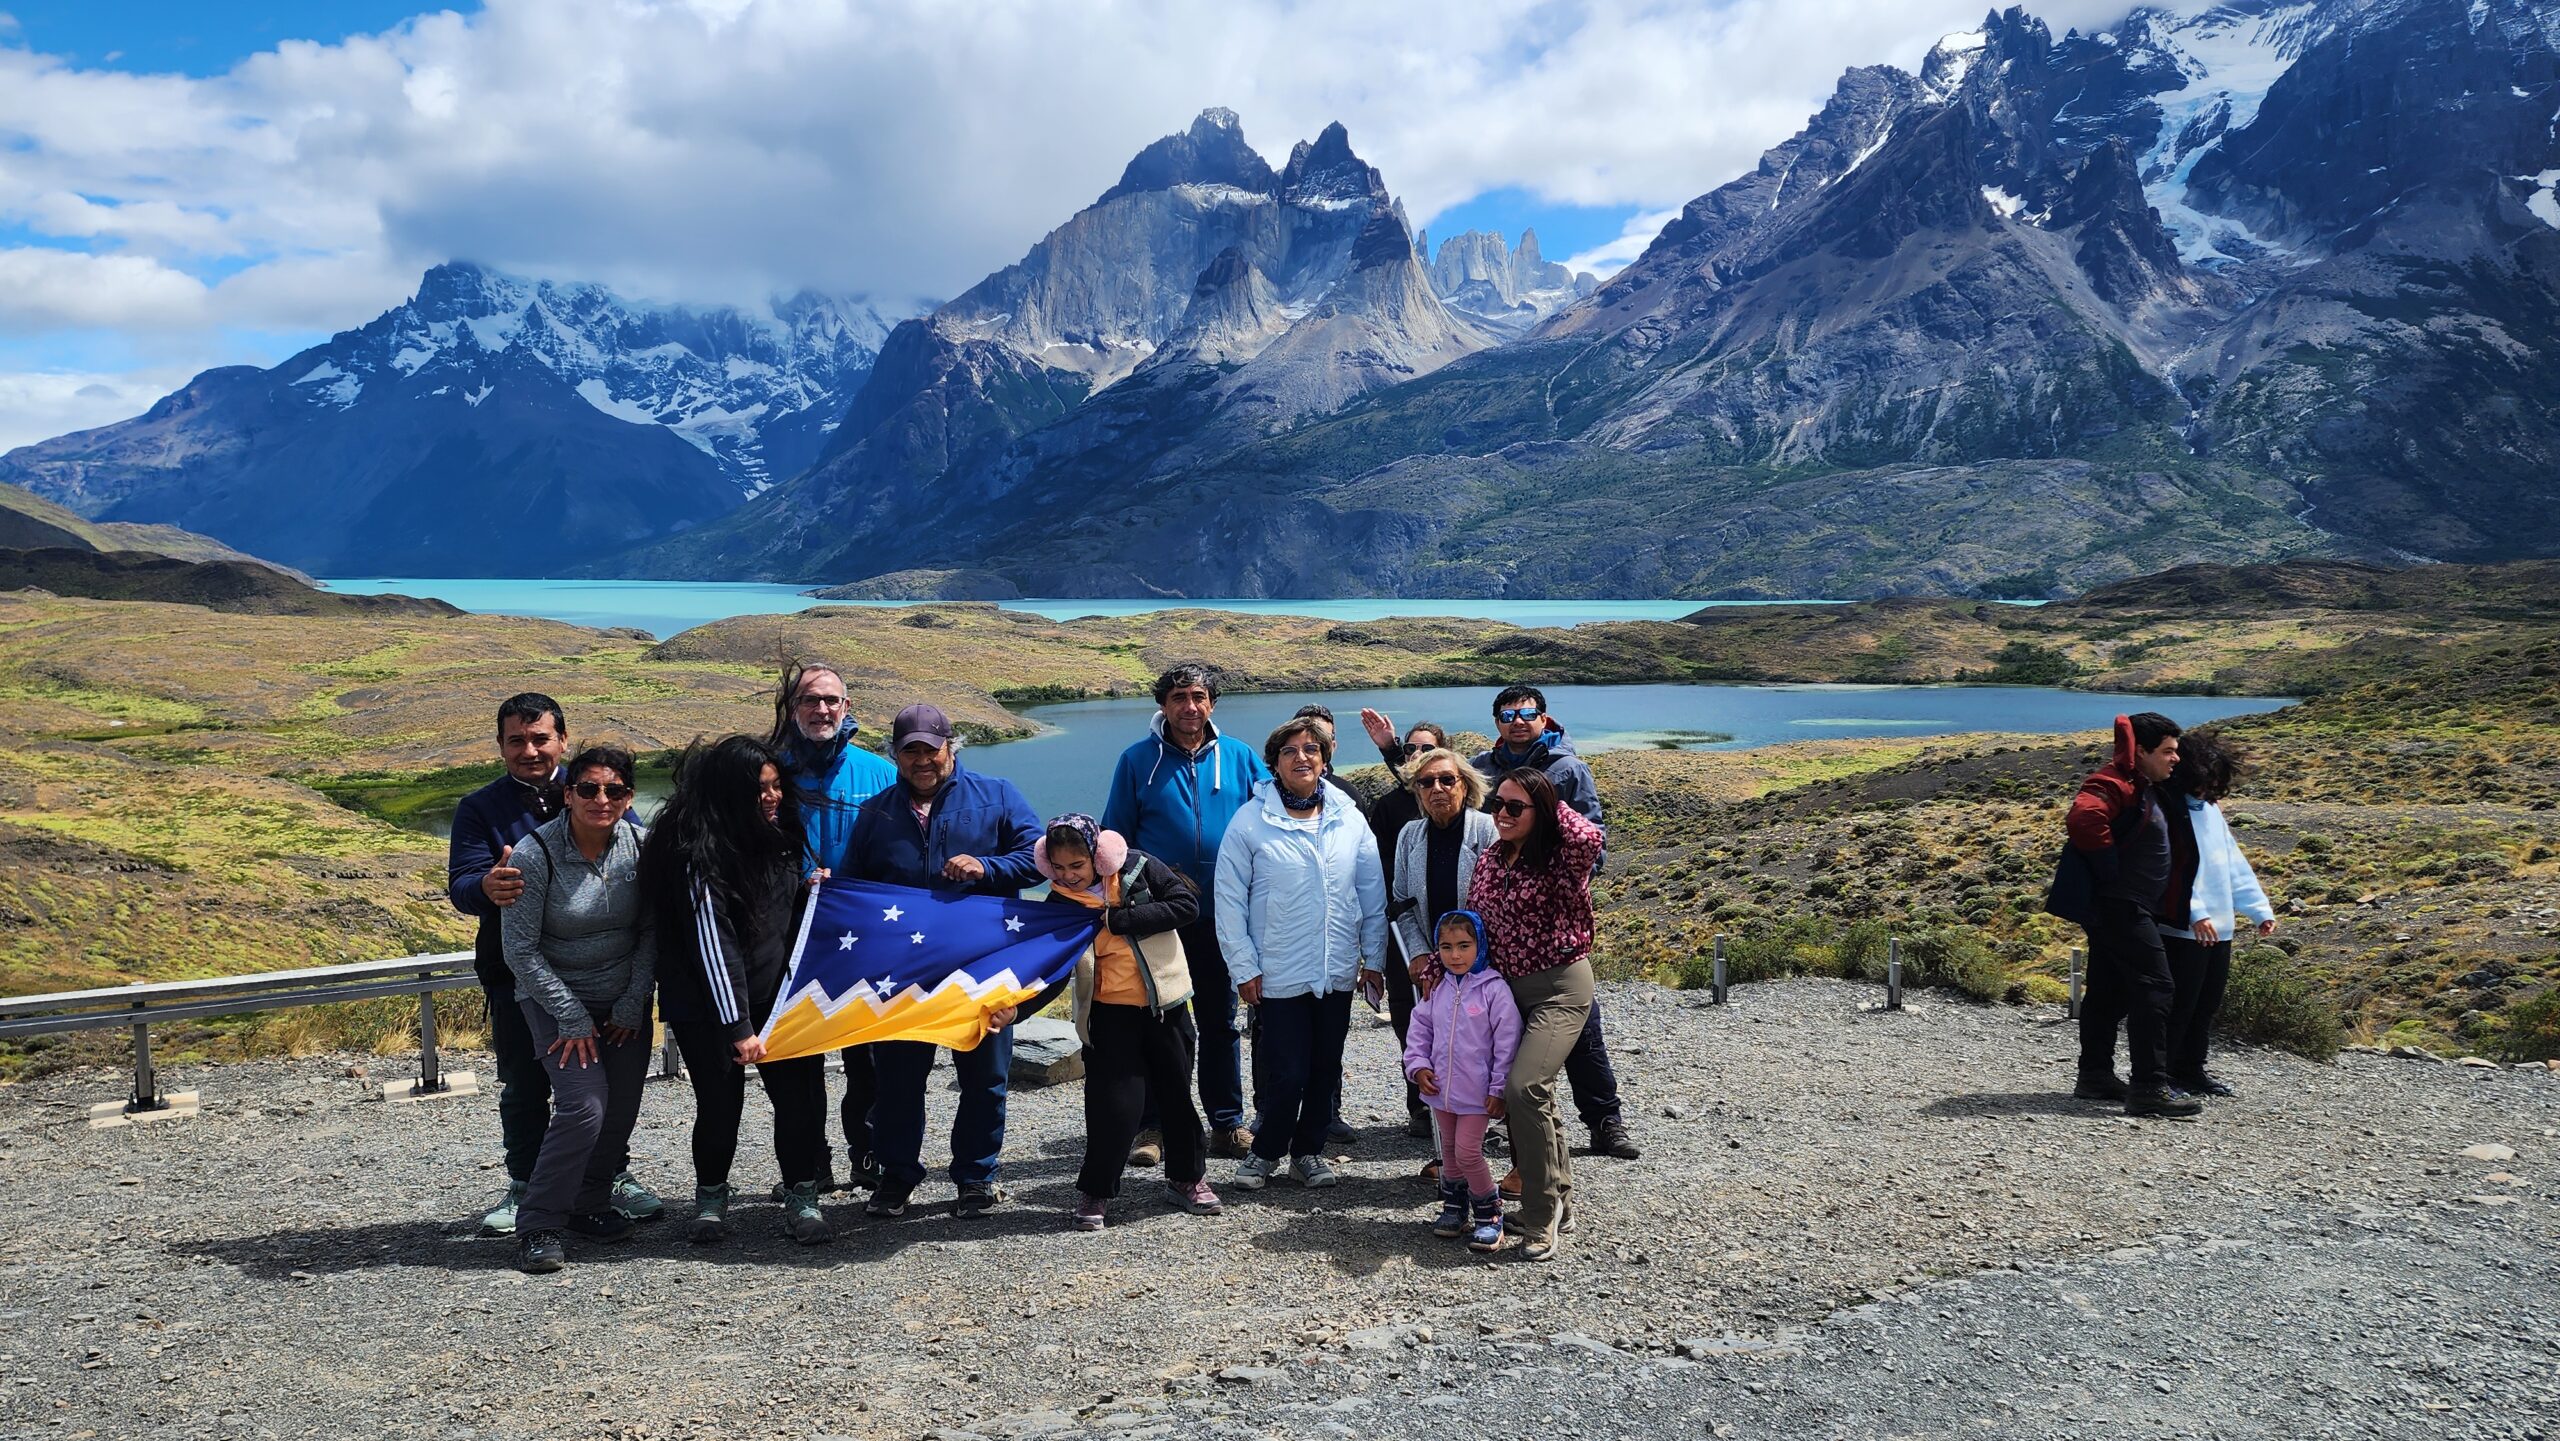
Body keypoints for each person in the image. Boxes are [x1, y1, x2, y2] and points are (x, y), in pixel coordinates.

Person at [447, 693, 660, 1236]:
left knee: (610, 1096)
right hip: (518, 969)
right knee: (527, 1082)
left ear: (561, 741)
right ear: (500, 746)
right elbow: (463, 883)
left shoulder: (605, 793)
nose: (529, 750)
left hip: (611, 982)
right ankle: (527, 1189)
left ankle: (603, 1181)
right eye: (516, 740)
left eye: (540, 738)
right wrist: (487, 886)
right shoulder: (482, 808)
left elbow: (635, 876)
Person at [841, 703, 1044, 1219]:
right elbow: (857, 887)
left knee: (984, 1078)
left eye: (931, 750)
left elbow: (1039, 858)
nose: (922, 762)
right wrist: (830, 891)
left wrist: (988, 865)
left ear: (951, 748)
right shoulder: (876, 812)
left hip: (982, 967)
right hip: (903, 974)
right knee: (899, 1081)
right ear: (896, 756)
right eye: (911, 752)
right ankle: (896, 1177)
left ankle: (976, 1177)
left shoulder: (997, 795)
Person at [643, 735, 832, 1247]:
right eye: (758, 790)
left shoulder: (782, 838)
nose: (771, 798)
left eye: (775, 786)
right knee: (719, 1103)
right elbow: (714, 944)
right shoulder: (696, 854)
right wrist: (739, 1026)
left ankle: (802, 1196)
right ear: (729, 795)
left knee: (800, 1101)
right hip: (711, 1010)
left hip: (778, 1000)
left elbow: (781, 917)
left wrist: (811, 886)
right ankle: (710, 1201)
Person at [1100, 664, 1271, 1165]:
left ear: (1212, 703)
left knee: (1221, 1021)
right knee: (1160, 1021)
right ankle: (1153, 1126)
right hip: (1159, 915)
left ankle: (1225, 1123)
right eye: (1179, 697)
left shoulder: (1238, 757)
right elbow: (1116, 839)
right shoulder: (1136, 760)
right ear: (1164, 704)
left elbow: (1270, 817)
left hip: (1224, 913)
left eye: (1198, 696)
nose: (1189, 707)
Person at [501, 745, 658, 1273]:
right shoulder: (534, 855)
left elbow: (651, 931)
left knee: (618, 1111)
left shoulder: (642, 848)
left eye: (614, 790)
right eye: (588, 788)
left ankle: (589, 1204)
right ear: (568, 795)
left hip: (622, 1003)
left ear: (628, 798)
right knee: (582, 1106)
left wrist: (634, 1001)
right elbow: (518, 949)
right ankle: (539, 1223)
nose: (601, 799)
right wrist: (570, 1015)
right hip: (554, 999)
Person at [1467, 686, 1640, 1162]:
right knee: (1509, 1041)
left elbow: (1592, 840)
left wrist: (1555, 883)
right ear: (1497, 720)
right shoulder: (1483, 767)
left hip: (1552, 931)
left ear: (1545, 718)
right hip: (1503, 929)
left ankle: (1605, 1121)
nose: (1518, 721)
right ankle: (1518, 1133)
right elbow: (1435, 786)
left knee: (1582, 1033)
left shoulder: (1567, 769)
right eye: (1508, 714)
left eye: (1527, 713)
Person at [1214, 716, 1386, 1192]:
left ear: (1325, 760)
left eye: (1312, 749)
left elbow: (1370, 894)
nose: (1302, 757)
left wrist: (1373, 959)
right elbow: (1228, 902)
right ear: (1274, 763)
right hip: (1278, 970)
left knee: (1325, 1067)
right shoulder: (1250, 822)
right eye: (1290, 751)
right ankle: (1265, 1151)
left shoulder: (1349, 818)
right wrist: (1243, 967)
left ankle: (1307, 1152)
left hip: (1335, 968)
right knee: (1286, 1072)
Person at [1034, 813, 1223, 1229]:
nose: (1068, 876)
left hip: (1167, 1007)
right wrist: (1017, 1010)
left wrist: (1119, 920)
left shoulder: (1138, 867)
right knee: (1113, 1105)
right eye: (1059, 868)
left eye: (1077, 866)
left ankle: (1187, 1178)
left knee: (1176, 1094)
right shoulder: (1059, 904)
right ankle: (1097, 1190)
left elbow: (1186, 906)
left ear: (1097, 857)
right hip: (1107, 1012)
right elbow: (1050, 969)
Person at [770, 661, 898, 1193]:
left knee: (865, 1054)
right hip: (789, 930)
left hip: (864, 932)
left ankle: (867, 1154)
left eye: (830, 701)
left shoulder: (881, 773)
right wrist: (798, 876)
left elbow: (902, 848)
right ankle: (811, 1163)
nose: (821, 710)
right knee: (800, 1055)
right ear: (793, 709)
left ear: (847, 708)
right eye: (809, 701)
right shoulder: (770, 772)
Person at [1469, 767, 1604, 1262]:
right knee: (1537, 1096)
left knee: (1523, 1088)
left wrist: (1548, 798)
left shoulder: (1563, 858)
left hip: (1558, 987)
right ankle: (1560, 1200)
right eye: (1497, 805)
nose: (1501, 814)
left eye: (1515, 807)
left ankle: (1539, 1214)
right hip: (1508, 992)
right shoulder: (1490, 858)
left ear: (1541, 813)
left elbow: (1591, 836)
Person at [2058, 711, 2203, 1120]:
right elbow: (2085, 817)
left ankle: (2095, 1076)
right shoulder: (2114, 782)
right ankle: (2149, 1087)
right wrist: (2109, 870)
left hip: (2123, 905)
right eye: (2168, 752)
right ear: (2139, 751)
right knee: (2156, 986)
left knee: (2108, 990)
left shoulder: (2142, 785)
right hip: (2121, 905)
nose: (2175, 759)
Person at [1377, 732, 1490, 1145]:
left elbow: (1497, 906)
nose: (1437, 789)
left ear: (1466, 784)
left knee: (1482, 1054)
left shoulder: (1487, 830)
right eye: (1426, 783)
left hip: (1483, 966)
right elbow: (1402, 904)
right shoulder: (1410, 836)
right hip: (1434, 965)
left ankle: (1482, 1144)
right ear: (1416, 791)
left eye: (1447, 780)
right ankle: (1449, 1154)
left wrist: (1470, 960)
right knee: (1440, 1052)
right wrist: (1423, 955)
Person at [2155, 729, 2275, 1099]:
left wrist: (2258, 909)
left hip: (2218, 928)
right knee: (2180, 1006)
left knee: (2205, 1005)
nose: (2210, 793)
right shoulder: (2167, 808)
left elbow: (2231, 862)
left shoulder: (2209, 810)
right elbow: (2170, 868)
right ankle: (2162, 1075)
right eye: (2206, 784)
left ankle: (2191, 1070)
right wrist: (2194, 912)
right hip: (2181, 928)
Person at [1403, 910, 1519, 1254]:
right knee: (1450, 1155)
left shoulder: (1493, 990)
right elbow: (1420, 1030)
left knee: (1468, 1152)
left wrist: (1499, 1088)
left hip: (1477, 1094)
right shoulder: (1437, 988)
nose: (1455, 955)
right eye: (1446, 946)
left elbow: (1507, 1041)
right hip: (1441, 1092)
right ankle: (1455, 1209)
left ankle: (1489, 1213)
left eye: (1464, 946)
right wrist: (1418, 1066)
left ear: (1480, 945)